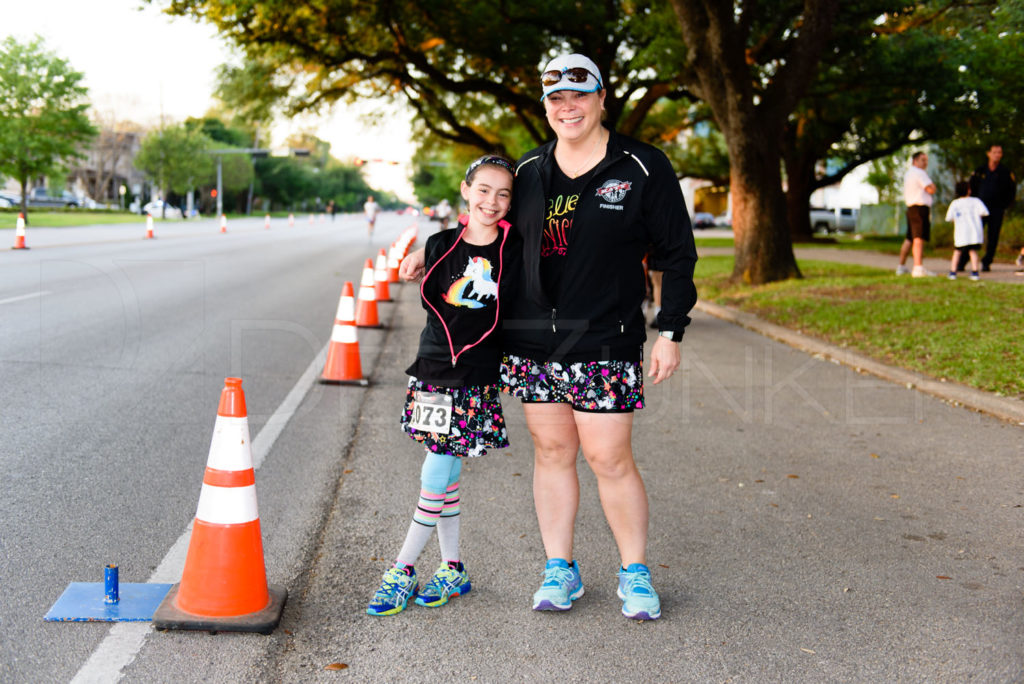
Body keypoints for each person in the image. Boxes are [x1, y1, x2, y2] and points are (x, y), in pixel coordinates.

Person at [401, 54, 697, 621]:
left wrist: (671, 329)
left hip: (605, 337)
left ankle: (634, 573)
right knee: (555, 452)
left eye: (579, 96)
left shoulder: (642, 166)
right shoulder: (530, 171)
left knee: (609, 457)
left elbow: (677, 254)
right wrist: (432, 250)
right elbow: (487, 228)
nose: (569, 108)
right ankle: (559, 568)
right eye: (556, 99)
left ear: (601, 98)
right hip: (533, 340)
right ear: (547, 107)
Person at [366, 155, 521, 616]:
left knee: (439, 470)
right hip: (434, 370)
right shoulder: (438, 245)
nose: (492, 201)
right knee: (441, 471)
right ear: (465, 190)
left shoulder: (514, 250)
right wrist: (421, 254)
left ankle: (402, 569)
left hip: (477, 375)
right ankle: (450, 567)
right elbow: (424, 276)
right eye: (484, 190)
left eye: (504, 193)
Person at [959, 144, 1017, 272]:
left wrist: (1004, 205)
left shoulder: (1005, 172)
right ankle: (962, 261)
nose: (997, 155)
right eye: (994, 152)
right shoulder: (980, 171)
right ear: (989, 153)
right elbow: (971, 188)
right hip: (978, 210)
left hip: (996, 210)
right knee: (973, 235)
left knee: (993, 237)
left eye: (999, 152)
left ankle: (987, 262)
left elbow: (1011, 191)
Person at [896, 151, 937, 277]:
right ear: (915, 161)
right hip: (919, 208)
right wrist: (932, 186)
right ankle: (918, 267)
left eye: (926, 160)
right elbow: (931, 189)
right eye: (923, 160)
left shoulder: (909, 173)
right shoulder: (920, 173)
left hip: (911, 208)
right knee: (918, 238)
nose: (925, 163)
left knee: (910, 238)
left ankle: (901, 266)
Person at [945, 181, 988, 281]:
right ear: (969, 190)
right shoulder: (976, 201)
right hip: (974, 233)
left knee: (957, 252)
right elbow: (984, 212)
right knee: (973, 252)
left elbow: (949, 218)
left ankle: (953, 272)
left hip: (961, 234)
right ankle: (975, 272)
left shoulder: (955, 203)